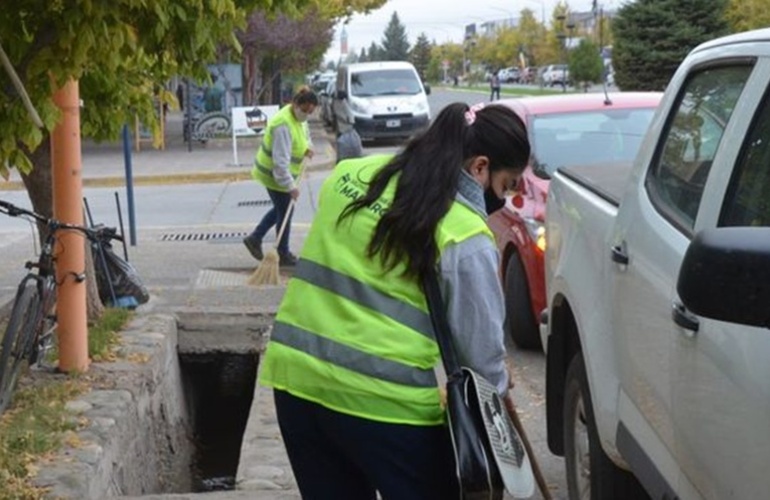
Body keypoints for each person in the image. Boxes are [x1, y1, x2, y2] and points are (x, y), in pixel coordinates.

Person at [258, 102, 530, 498]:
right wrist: (500, 399)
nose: (502, 199)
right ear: (480, 168)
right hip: (385, 405)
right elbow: (482, 360)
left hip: (297, 383)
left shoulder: (351, 175)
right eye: (506, 185)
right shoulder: (463, 232)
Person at [243, 86, 318, 266]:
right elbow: (280, 163)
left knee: (281, 209)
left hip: (282, 173)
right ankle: (282, 253)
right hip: (274, 174)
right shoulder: (283, 125)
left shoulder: (298, 117)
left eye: (311, 112)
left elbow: (304, 133)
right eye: (305, 110)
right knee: (285, 211)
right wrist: (291, 186)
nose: (307, 115)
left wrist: (309, 147)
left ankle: (255, 238)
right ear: (295, 104)